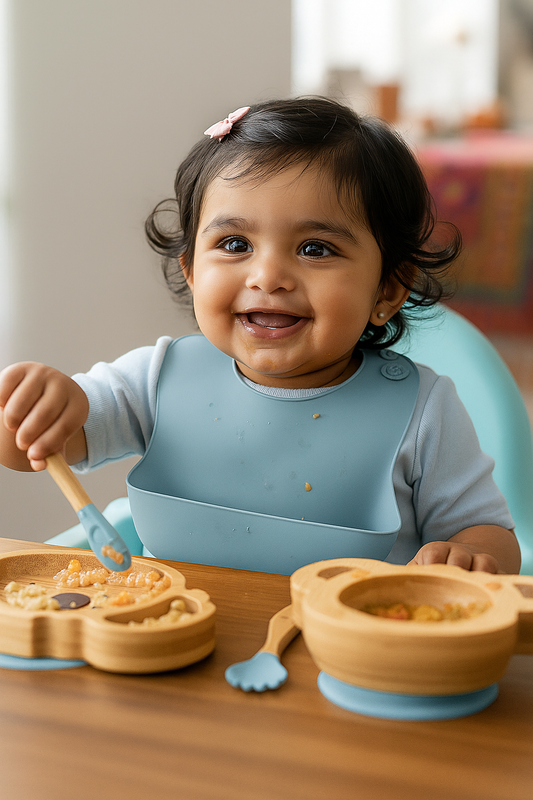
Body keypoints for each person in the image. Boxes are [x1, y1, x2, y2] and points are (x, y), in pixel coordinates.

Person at [0, 98, 520, 574]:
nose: (267, 276)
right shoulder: (154, 381)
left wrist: (469, 554)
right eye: (234, 243)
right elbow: (31, 449)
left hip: (347, 652)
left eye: (316, 249)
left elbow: (490, 535)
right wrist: (34, 409)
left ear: (387, 288)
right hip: (175, 640)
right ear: (191, 270)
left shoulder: (425, 411)